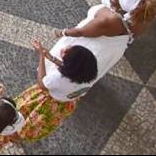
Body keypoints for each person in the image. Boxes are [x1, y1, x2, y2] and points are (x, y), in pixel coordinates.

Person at [14, 13, 131, 142]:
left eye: (65, 53)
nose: (64, 48)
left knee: (26, 116)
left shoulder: (58, 78)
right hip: (66, 103)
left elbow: (42, 84)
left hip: (47, 101)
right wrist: (51, 58)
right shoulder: (87, 74)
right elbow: (70, 68)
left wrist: (41, 57)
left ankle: (15, 135)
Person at [56, 0, 156, 44]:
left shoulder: (107, 20)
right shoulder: (142, 15)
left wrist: (62, 32)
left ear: (120, 8)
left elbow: (80, 32)